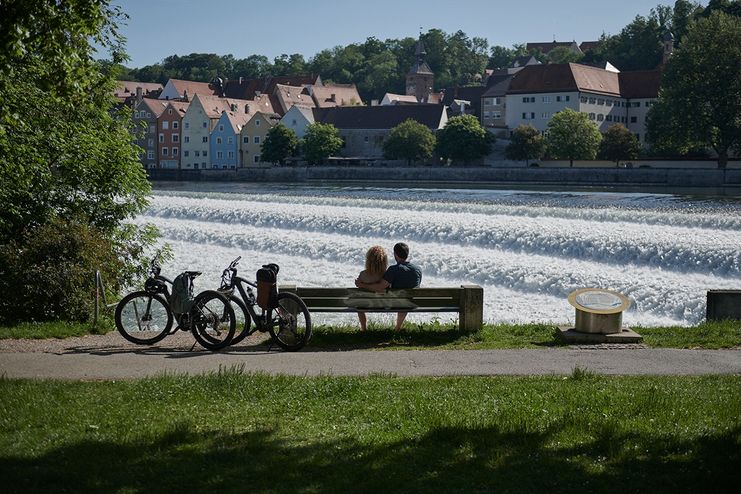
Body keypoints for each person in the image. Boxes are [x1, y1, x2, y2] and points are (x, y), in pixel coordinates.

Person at [355, 242, 422, 330]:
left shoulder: (393, 270)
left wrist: (362, 285)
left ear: (395, 254)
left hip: (392, 303)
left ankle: (364, 329)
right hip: (411, 303)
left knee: (360, 304)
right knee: (405, 300)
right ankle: (397, 328)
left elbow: (380, 287)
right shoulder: (418, 269)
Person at [354, 246, 388, 331]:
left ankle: (364, 329)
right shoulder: (387, 275)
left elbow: (358, 285)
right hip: (384, 304)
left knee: (360, 307)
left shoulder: (363, 275)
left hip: (365, 304)